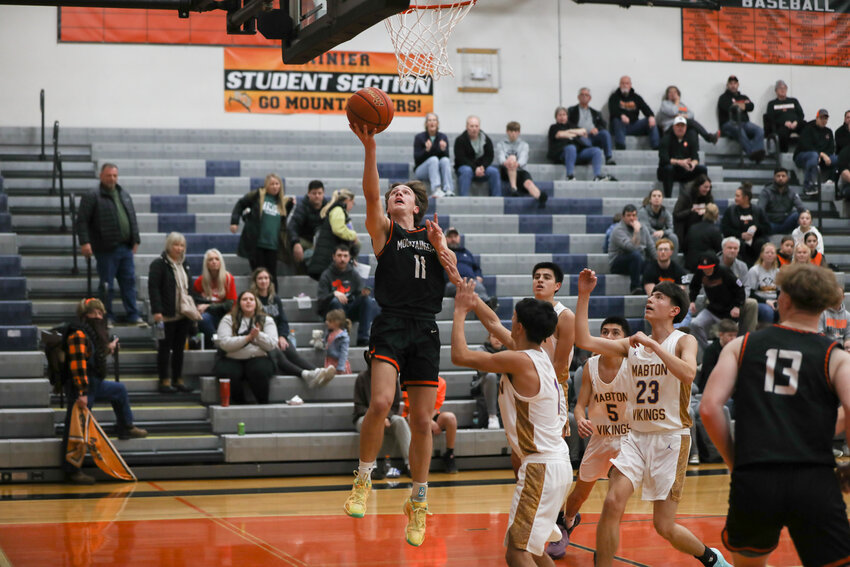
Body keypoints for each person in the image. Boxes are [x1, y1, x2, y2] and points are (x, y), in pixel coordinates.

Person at [344, 123, 459, 547]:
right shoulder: (384, 232)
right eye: (395, 192)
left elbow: (457, 281)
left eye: (404, 192)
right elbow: (372, 193)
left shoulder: (433, 235)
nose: (396, 194)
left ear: (417, 203)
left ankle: (419, 499)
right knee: (379, 402)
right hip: (391, 323)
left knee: (423, 423)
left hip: (426, 328)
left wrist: (441, 246)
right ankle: (362, 479)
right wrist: (370, 147)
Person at [574, 269, 731, 567]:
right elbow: (583, 339)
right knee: (611, 503)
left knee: (664, 527)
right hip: (635, 437)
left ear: (674, 310)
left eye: (658, 297)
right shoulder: (630, 344)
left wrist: (654, 346)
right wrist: (584, 294)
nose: (650, 299)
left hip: (671, 439)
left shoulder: (684, 341)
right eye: (651, 294)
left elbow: (687, 374)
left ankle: (711, 558)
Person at [700, 263, 850, 567]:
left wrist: (734, 460)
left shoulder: (741, 346)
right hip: (814, 478)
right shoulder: (835, 356)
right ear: (823, 306)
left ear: (783, 301)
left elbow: (709, 408)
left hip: (756, 476)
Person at [451, 280, 569, 567]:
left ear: (519, 328)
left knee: (516, 552)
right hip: (556, 464)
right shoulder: (538, 354)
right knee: (536, 548)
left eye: (513, 319)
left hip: (540, 467)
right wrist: (468, 293)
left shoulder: (519, 361)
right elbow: (492, 323)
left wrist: (459, 311)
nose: (509, 322)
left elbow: (460, 355)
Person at [551, 317, 631, 559]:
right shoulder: (590, 365)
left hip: (627, 441)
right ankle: (567, 523)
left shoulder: (634, 364)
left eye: (615, 332)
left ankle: (604, 549)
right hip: (599, 439)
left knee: (615, 498)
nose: (607, 336)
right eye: (604, 332)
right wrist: (581, 418)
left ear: (625, 338)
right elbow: (579, 405)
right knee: (578, 496)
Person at [62, 298, 148, 484]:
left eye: (101, 313)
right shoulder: (78, 334)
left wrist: (108, 349)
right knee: (76, 429)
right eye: (95, 313)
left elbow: (93, 356)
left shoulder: (90, 333)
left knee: (118, 390)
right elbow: (78, 366)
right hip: (82, 387)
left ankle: (125, 426)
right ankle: (72, 470)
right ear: (85, 315)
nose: (99, 316)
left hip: (94, 383)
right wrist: (81, 393)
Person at [75, 163, 145, 327]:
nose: (112, 179)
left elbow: (132, 218)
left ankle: (133, 315)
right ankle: (107, 316)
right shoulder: (92, 196)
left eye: (114, 175)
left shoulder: (124, 194)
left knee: (129, 282)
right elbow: (82, 221)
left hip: (125, 248)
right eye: (109, 175)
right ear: (101, 176)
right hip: (105, 248)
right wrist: (85, 242)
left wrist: (136, 239)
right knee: (107, 285)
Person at [249, 268, 334, 388]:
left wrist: (282, 336)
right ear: (255, 281)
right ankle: (311, 374)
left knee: (292, 353)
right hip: (263, 339)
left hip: (278, 336)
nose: (263, 281)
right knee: (281, 356)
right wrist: (271, 339)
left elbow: (283, 321)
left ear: (270, 281)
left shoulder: (275, 299)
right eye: (260, 278)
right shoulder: (251, 299)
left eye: (266, 278)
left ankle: (317, 372)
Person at [147, 232, 198, 394]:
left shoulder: (185, 264)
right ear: (169, 246)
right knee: (164, 348)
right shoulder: (158, 264)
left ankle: (178, 379)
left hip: (183, 314)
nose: (179, 248)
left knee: (179, 349)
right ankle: (164, 380)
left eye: (182, 245)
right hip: (166, 314)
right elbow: (153, 289)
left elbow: (189, 288)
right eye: (176, 245)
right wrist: (157, 310)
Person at [229, 173, 294, 291]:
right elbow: (240, 204)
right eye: (272, 184)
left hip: (273, 245)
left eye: (277, 184)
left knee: (271, 276)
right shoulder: (257, 195)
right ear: (266, 185)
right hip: (257, 244)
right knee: (258, 275)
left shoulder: (281, 202)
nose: (275, 187)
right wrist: (234, 221)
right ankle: (256, 300)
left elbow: (282, 221)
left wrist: (289, 205)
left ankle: (273, 300)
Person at [353, 351, 412, 479]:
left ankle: (410, 465)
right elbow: (359, 407)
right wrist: (377, 417)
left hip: (387, 417)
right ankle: (370, 467)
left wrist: (386, 416)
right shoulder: (362, 378)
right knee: (366, 422)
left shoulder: (392, 378)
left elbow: (395, 405)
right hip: (364, 418)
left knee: (400, 421)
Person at [213, 291, 277, 405]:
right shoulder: (228, 319)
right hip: (232, 358)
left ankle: (263, 404)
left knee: (259, 371)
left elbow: (272, 344)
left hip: (258, 357)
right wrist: (247, 338)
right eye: (244, 299)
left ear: (256, 303)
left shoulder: (267, 320)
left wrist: (258, 335)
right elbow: (224, 343)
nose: (248, 301)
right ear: (239, 303)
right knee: (228, 373)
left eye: (251, 299)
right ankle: (240, 404)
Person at [316, 244, 378, 348]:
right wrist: (333, 294)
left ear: (349, 258)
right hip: (333, 311)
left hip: (350, 309)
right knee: (336, 301)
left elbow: (360, 291)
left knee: (367, 300)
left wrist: (364, 292)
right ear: (333, 257)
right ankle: (340, 337)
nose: (342, 259)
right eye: (339, 255)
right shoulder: (326, 275)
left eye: (345, 256)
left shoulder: (353, 274)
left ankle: (363, 338)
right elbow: (321, 300)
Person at [401, 376, 458, 474]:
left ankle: (449, 454)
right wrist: (427, 421)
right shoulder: (410, 380)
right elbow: (410, 405)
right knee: (411, 417)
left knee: (451, 418)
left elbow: (437, 405)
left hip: (432, 414)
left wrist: (428, 420)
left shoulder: (441, 382)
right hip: (413, 414)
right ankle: (413, 460)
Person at [688, 253, 747, 348]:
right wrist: (692, 301)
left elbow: (740, 288)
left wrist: (737, 306)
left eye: (709, 267)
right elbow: (694, 286)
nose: (706, 270)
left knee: (728, 335)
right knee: (695, 324)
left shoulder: (725, 271)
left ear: (715, 266)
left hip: (728, 311)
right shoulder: (700, 272)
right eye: (704, 267)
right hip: (712, 309)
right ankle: (707, 349)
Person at [547, 106, 611, 182]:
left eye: (564, 114)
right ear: (556, 117)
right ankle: (570, 176)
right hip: (563, 153)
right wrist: (575, 133)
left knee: (596, 150)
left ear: (567, 116)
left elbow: (583, 131)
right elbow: (559, 134)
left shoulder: (572, 125)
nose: (562, 117)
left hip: (578, 152)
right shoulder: (553, 127)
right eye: (559, 115)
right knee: (571, 148)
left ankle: (597, 176)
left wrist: (569, 131)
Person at [308, 189, 360, 280]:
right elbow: (338, 230)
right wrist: (353, 235)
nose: (352, 206)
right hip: (327, 259)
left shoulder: (338, 211)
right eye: (353, 203)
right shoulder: (338, 210)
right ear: (348, 200)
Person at [496, 121, 548, 207]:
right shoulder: (501, 144)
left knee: (528, 183)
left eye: (515, 131)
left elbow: (524, 158)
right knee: (512, 158)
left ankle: (539, 196)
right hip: (505, 170)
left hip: (520, 170)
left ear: (519, 132)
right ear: (507, 132)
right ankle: (514, 188)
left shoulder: (524, 145)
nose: (513, 134)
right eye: (511, 131)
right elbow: (500, 157)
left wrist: (517, 164)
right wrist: (507, 162)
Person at [193, 248, 237, 349]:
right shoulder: (200, 281)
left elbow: (229, 305)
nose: (214, 262)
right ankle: (217, 345)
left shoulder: (228, 278)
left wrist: (208, 306)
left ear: (221, 262)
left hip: (226, 314)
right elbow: (196, 302)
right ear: (206, 263)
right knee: (203, 318)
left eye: (217, 259)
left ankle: (219, 345)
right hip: (208, 316)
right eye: (211, 259)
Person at [609, 204, 657, 294]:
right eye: (629, 215)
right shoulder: (618, 230)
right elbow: (631, 248)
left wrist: (659, 262)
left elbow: (651, 246)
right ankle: (635, 287)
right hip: (618, 262)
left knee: (651, 264)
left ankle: (648, 288)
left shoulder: (643, 228)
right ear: (623, 217)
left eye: (634, 215)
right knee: (636, 256)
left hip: (637, 261)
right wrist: (636, 231)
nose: (632, 218)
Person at [717, 75, 765, 163]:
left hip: (745, 123)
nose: (733, 85)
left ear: (738, 84)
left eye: (735, 83)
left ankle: (757, 152)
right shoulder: (723, 97)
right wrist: (741, 105)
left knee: (760, 130)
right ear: (727, 85)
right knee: (740, 129)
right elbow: (727, 107)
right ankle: (752, 153)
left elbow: (751, 106)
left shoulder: (743, 97)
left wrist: (742, 105)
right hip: (729, 124)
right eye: (730, 83)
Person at [720, 182, 770, 267]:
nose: (735, 198)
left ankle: (760, 267)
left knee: (761, 243)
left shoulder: (758, 210)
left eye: (737, 196)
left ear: (746, 198)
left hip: (755, 240)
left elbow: (767, 227)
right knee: (738, 244)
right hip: (738, 239)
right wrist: (741, 235)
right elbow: (725, 229)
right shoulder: (730, 211)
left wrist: (756, 229)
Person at [657, 115, 708, 198]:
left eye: (682, 126)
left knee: (702, 169)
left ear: (686, 127)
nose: (680, 128)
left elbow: (695, 157)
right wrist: (679, 162)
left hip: (685, 170)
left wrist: (692, 164)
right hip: (670, 171)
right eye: (678, 126)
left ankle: (701, 197)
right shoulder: (666, 139)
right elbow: (664, 159)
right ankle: (668, 197)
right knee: (668, 169)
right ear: (673, 127)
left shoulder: (690, 139)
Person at [607, 75, 660, 150]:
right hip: (620, 126)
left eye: (627, 83)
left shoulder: (636, 97)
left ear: (630, 85)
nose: (625, 85)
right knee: (616, 120)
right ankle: (620, 146)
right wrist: (621, 115)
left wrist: (651, 116)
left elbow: (646, 108)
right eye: (623, 83)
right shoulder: (614, 97)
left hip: (634, 125)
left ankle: (656, 147)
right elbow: (613, 110)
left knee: (650, 120)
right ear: (620, 85)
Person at [443, 226, 493, 304]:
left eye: (455, 236)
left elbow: (476, 268)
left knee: (476, 286)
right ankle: (487, 302)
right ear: (445, 239)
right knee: (471, 288)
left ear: (459, 238)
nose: (453, 239)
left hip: (471, 280)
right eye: (450, 237)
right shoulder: (442, 252)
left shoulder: (466, 252)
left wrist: (479, 276)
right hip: (453, 283)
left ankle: (486, 303)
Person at [454, 115, 501, 197]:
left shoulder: (486, 139)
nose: (474, 129)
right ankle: (463, 200)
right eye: (471, 126)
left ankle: (496, 200)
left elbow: (489, 156)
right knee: (466, 171)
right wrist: (475, 168)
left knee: (494, 172)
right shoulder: (460, 140)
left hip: (482, 168)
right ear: (467, 127)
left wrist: (482, 167)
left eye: (476, 126)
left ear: (479, 127)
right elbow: (461, 158)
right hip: (465, 167)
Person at [287, 180, 329, 271]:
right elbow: (292, 227)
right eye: (314, 193)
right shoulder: (302, 206)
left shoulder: (329, 207)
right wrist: (296, 243)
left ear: (323, 194)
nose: (317, 196)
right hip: (305, 240)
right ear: (309, 194)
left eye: (319, 193)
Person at [794, 109, 837, 195]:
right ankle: (808, 186)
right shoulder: (808, 128)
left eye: (825, 118)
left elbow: (831, 148)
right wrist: (820, 154)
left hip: (821, 158)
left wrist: (823, 155)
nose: (823, 121)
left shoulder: (828, 131)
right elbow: (805, 145)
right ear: (817, 118)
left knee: (838, 158)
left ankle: (832, 180)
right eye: (821, 118)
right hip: (803, 156)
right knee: (813, 156)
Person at [568, 87, 616, 164]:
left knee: (605, 133)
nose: (584, 97)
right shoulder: (572, 110)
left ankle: (608, 157)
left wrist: (597, 129)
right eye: (582, 95)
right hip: (579, 136)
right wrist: (580, 131)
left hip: (593, 135)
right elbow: (568, 124)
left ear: (590, 98)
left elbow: (603, 124)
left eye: (586, 95)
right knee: (584, 141)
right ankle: (590, 157)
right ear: (578, 97)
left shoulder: (595, 112)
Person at [471, 332, 506, 430]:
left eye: (500, 337)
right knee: (491, 375)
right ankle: (492, 416)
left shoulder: (509, 350)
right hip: (484, 383)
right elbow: (482, 369)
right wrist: (504, 365)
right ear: (489, 337)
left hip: (504, 383)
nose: (497, 340)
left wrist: (492, 364)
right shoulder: (482, 349)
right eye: (494, 336)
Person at [413, 112, 453, 198]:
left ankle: (448, 189)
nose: (432, 122)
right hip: (421, 170)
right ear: (426, 124)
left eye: (434, 120)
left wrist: (443, 150)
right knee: (433, 159)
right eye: (429, 120)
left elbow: (447, 157)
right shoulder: (419, 137)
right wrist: (426, 150)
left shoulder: (443, 137)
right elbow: (417, 159)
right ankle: (436, 190)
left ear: (437, 123)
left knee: (445, 160)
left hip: (436, 171)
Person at [673, 174, 714, 254]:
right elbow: (676, 214)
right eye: (705, 187)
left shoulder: (708, 196)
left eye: (709, 187)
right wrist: (691, 210)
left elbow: (713, 210)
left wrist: (706, 211)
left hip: (701, 222)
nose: (708, 189)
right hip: (685, 223)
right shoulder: (686, 195)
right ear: (698, 186)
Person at [760, 168, 805, 235]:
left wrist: (805, 213)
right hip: (771, 224)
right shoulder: (766, 192)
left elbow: (801, 207)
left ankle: (800, 241)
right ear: (774, 177)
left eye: (783, 176)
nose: (781, 178)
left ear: (787, 178)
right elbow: (760, 209)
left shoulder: (792, 192)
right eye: (778, 176)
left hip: (786, 222)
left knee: (800, 215)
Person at [744, 242, 780, 324]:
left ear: (775, 256)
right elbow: (750, 293)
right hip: (759, 301)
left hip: (774, 300)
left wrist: (778, 302)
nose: (770, 255)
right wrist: (766, 301)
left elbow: (779, 291)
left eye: (772, 253)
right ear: (761, 255)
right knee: (768, 311)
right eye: (767, 252)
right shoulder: (754, 270)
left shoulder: (777, 271)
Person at [765, 80, 805, 152]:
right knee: (782, 133)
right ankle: (783, 154)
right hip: (782, 126)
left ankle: (804, 152)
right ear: (776, 91)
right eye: (780, 88)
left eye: (784, 88)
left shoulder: (793, 101)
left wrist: (796, 122)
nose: (783, 90)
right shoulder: (772, 104)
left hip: (796, 124)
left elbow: (801, 115)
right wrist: (784, 123)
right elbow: (770, 118)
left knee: (807, 128)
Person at [684, 202, 722, 273]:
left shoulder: (693, 227)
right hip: (706, 266)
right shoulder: (715, 230)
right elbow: (719, 251)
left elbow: (685, 247)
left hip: (690, 265)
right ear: (716, 215)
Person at [638, 188, 679, 252]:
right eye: (654, 196)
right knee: (655, 238)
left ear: (662, 199)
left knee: (673, 237)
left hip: (661, 234)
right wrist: (657, 233)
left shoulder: (666, 212)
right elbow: (646, 228)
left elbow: (671, 228)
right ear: (650, 200)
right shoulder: (643, 211)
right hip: (646, 235)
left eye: (659, 196)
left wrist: (663, 232)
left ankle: (673, 261)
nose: (657, 198)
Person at [819, 283, 850, 352]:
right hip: (825, 349)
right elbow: (819, 335)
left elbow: (848, 336)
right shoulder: (822, 313)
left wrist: (847, 346)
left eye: (839, 296)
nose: (836, 298)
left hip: (841, 350)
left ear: (843, 297)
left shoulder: (848, 316)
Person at [324, 308, 351, 373]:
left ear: (336, 322)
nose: (326, 322)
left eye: (329, 321)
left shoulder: (343, 337)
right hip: (330, 362)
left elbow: (344, 353)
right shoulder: (330, 333)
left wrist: (341, 367)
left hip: (337, 363)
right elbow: (328, 343)